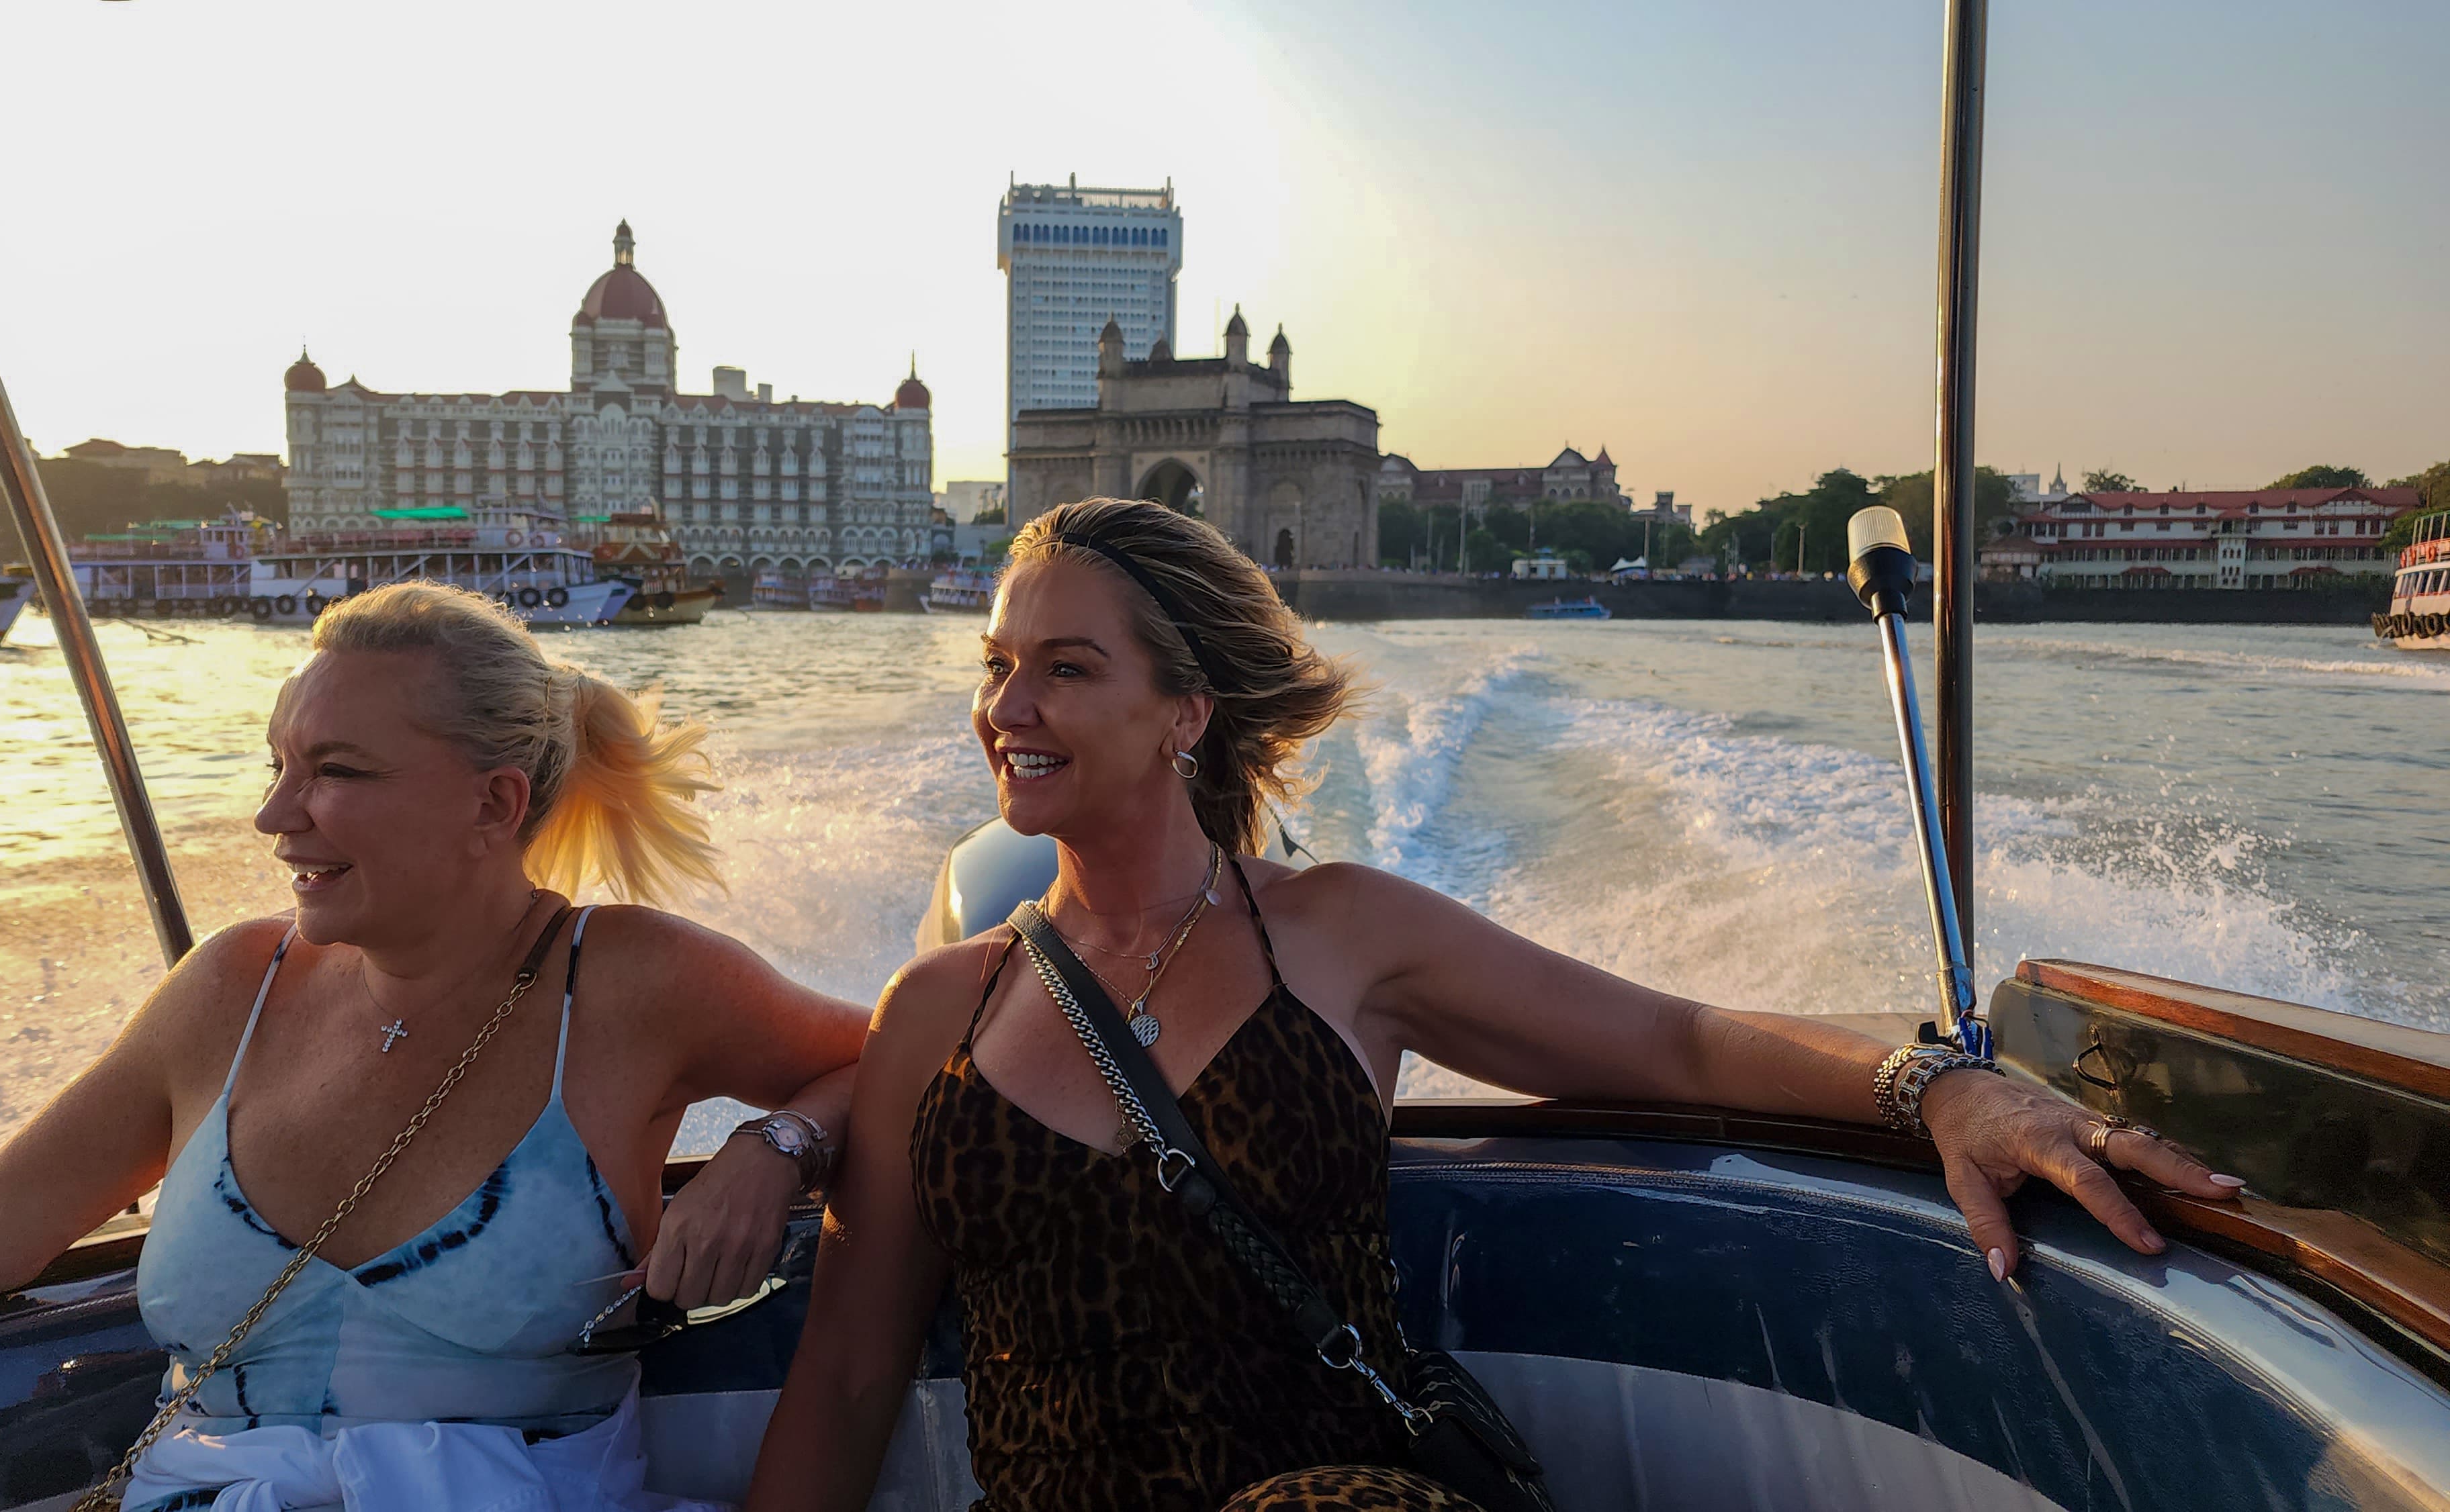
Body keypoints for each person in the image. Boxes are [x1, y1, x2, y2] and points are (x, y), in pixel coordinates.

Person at [745, 498, 2244, 1512]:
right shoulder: (935, 1008)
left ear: (1183, 712)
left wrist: (1936, 1089)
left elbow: (1672, 1038)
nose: (1007, 708)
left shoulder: (1340, 935)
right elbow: (851, 1367)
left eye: (1064, 669)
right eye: (997, 666)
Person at [0, 582, 868, 1511]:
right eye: (278, 764)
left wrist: (777, 1143)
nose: (275, 814)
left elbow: (914, 1058)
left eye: (335, 772)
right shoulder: (231, 988)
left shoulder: (634, 983)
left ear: (494, 803)